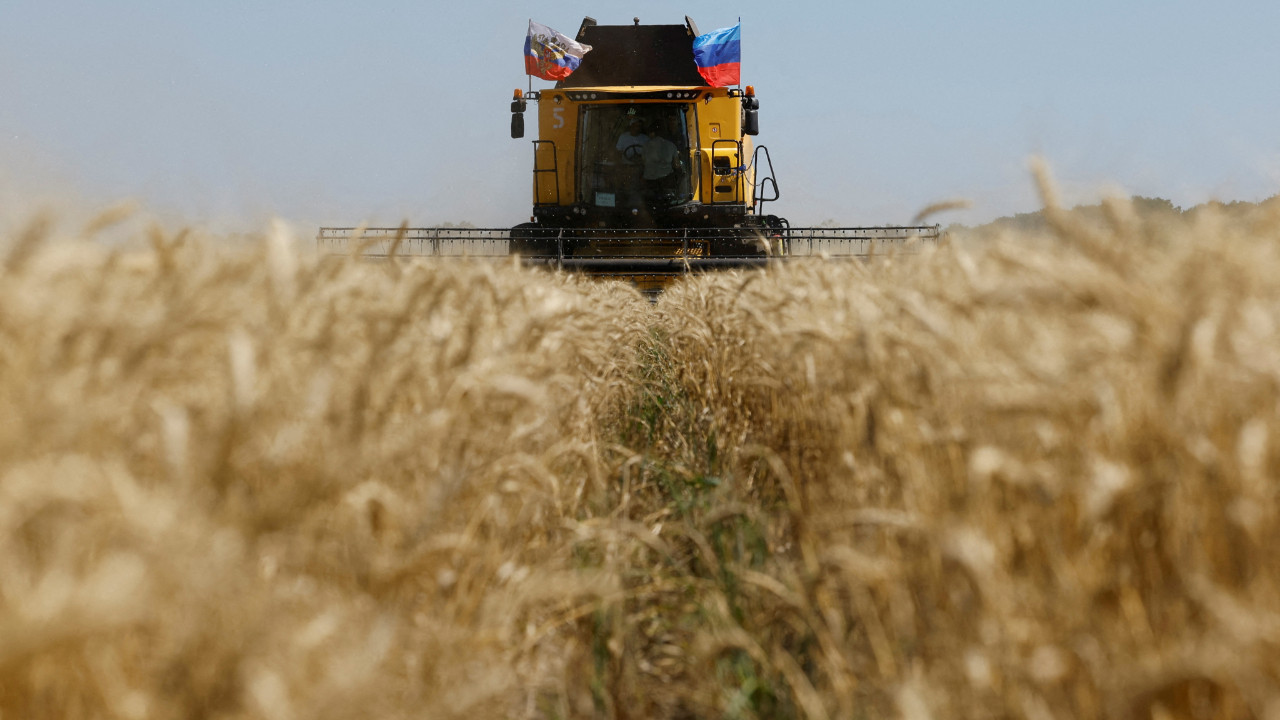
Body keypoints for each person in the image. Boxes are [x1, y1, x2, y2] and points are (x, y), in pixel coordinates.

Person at [641, 118, 682, 199]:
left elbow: (643, 162)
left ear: (652, 133)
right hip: (666, 181)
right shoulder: (671, 145)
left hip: (649, 181)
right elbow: (677, 165)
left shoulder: (645, 145)